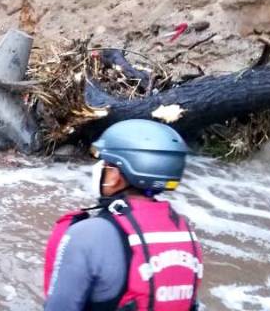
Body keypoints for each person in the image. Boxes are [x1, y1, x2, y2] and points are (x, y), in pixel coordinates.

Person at [44, 119, 203, 311]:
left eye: (103, 162)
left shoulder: (87, 234)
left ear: (114, 176)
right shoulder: (184, 232)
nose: (98, 169)